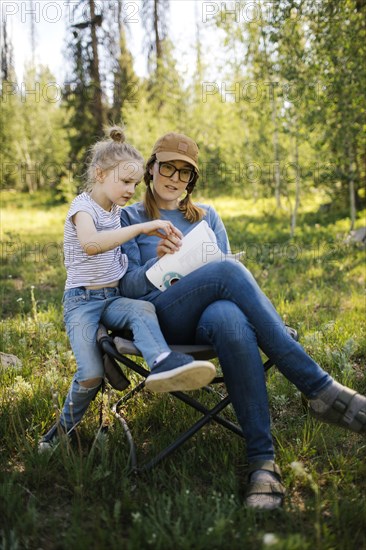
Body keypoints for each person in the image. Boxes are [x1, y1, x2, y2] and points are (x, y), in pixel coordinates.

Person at [118, 131, 366, 510]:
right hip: (162, 319)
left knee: (230, 317)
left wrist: (211, 268)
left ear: (192, 181)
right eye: (167, 166)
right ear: (151, 168)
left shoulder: (207, 216)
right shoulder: (129, 217)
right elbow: (128, 288)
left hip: (209, 319)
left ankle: (263, 464)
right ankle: (319, 388)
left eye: (185, 173)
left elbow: (227, 271)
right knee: (227, 275)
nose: (175, 178)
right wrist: (157, 262)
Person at [39, 128, 216, 452]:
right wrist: (144, 226)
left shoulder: (117, 213)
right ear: (99, 174)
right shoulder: (83, 208)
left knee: (143, 309)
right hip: (81, 302)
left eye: (134, 184)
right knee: (90, 375)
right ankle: (59, 435)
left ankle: (162, 362)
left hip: (112, 299)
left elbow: (131, 270)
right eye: (124, 182)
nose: (131, 190)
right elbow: (92, 244)